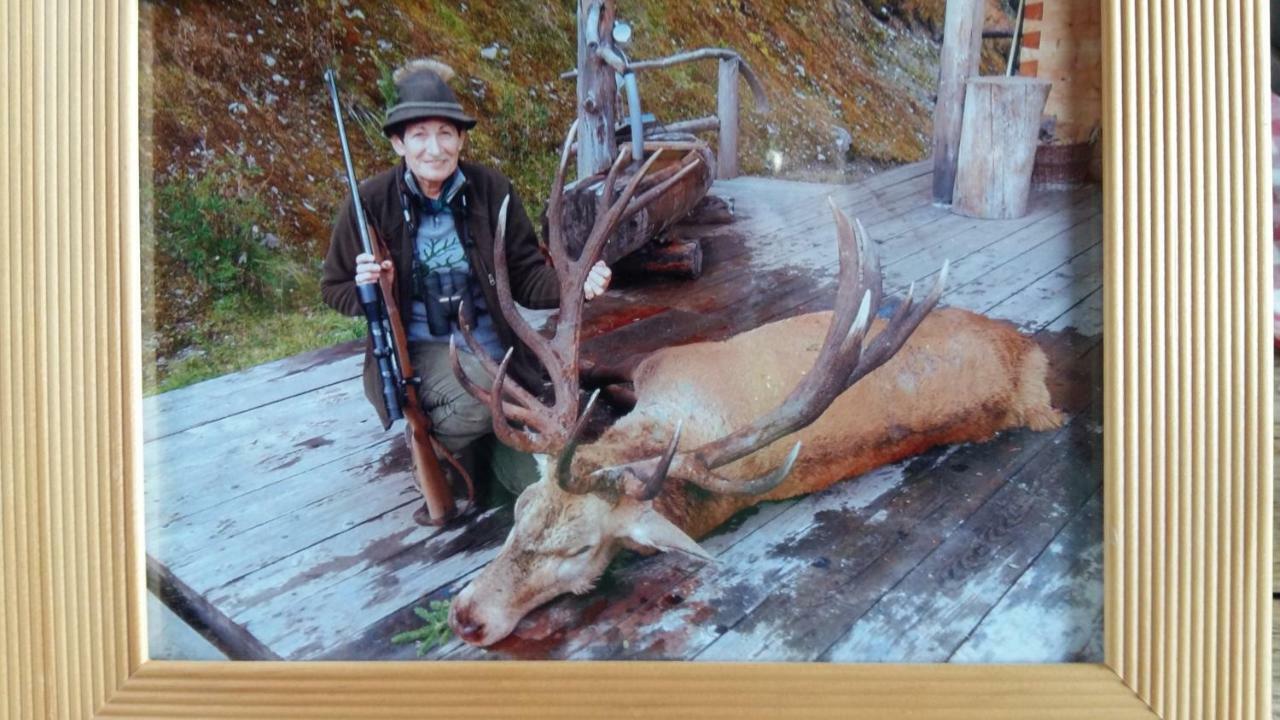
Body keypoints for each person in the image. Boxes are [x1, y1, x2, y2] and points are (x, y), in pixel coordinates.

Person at [321, 58, 612, 525]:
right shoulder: (369, 204)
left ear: (461, 138)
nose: (434, 148)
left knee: (548, 474)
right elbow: (332, 288)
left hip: (497, 350)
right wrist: (366, 288)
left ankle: (477, 463)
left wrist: (575, 285)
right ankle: (436, 447)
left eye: (446, 133)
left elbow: (527, 277)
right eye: (419, 135)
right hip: (423, 356)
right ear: (398, 142)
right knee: (488, 401)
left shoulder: (490, 189)